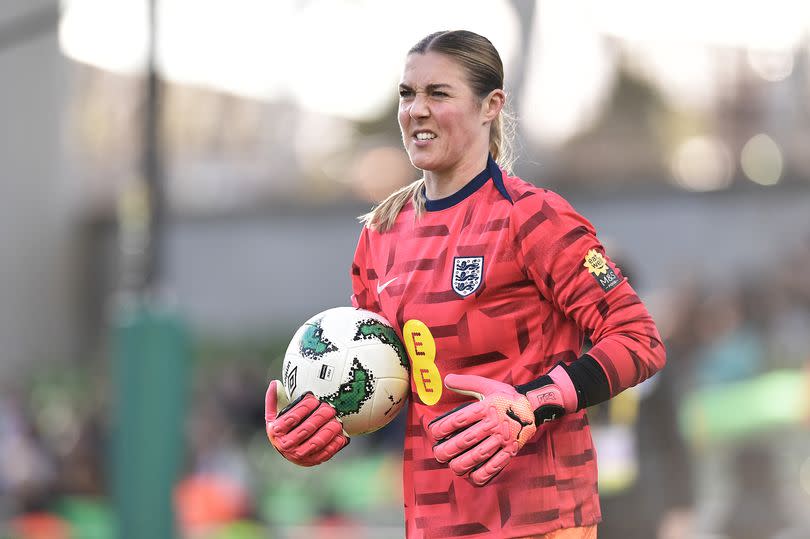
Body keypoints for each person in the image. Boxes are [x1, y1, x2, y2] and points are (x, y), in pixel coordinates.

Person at [265, 30, 666, 538]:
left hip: (539, 519)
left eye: (439, 93)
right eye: (407, 94)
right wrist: (321, 425)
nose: (417, 110)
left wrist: (529, 405)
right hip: (434, 522)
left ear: (490, 105)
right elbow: (387, 386)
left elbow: (639, 340)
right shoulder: (380, 235)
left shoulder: (533, 218)